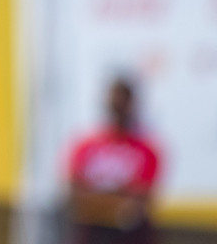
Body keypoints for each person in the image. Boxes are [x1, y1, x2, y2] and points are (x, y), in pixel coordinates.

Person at [67, 78, 161, 244]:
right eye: (114, 101)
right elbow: (75, 196)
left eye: (123, 101)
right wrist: (118, 198)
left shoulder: (146, 150)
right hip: (91, 234)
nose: (118, 107)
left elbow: (138, 204)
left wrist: (98, 196)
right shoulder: (85, 146)